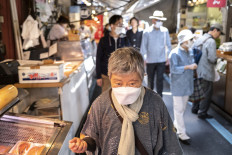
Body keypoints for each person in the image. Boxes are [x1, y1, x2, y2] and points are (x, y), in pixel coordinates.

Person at [69, 47, 182, 155]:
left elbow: (169, 141)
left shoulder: (155, 102)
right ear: (110, 77)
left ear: (142, 77)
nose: (126, 89)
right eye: (118, 83)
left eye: (132, 83)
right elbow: (91, 135)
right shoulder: (100, 104)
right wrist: (84, 144)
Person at [169, 29, 197, 145]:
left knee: (182, 109)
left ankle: (176, 124)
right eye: (190, 40)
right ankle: (182, 134)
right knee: (178, 109)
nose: (192, 41)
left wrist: (192, 67)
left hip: (187, 84)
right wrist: (188, 67)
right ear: (184, 41)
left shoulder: (190, 51)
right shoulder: (174, 53)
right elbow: (174, 69)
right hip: (178, 85)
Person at [192, 23, 224, 119]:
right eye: (219, 33)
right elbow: (212, 58)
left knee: (198, 90)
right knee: (206, 92)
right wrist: (217, 59)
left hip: (197, 70)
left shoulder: (200, 39)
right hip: (206, 71)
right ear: (215, 30)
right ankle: (202, 113)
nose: (219, 36)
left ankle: (195, 108)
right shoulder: (211, 41)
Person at [140, 10, 172, 97]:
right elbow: (143, 47)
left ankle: (159, 98)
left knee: (160, 80)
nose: (159, 22)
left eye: (160, 20)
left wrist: (168, 57)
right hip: (150, 60)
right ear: (153, 20)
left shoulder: (165, 31)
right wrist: (143, 59)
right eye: (157, 20)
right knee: (150, 80)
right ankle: (150, 98)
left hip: (161, 60)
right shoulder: (147, 32)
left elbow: (168, 45)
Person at [96, 15, 128, 93]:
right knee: (107, 98)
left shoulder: (125, 39)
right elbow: (98, 58)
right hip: (106, 75)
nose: (121, 26)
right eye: (119, 24)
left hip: (122, 75)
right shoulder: (104, 40)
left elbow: (129, 57)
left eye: (122, 24)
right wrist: (98, 76)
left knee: (121, 98)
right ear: (112, 25)